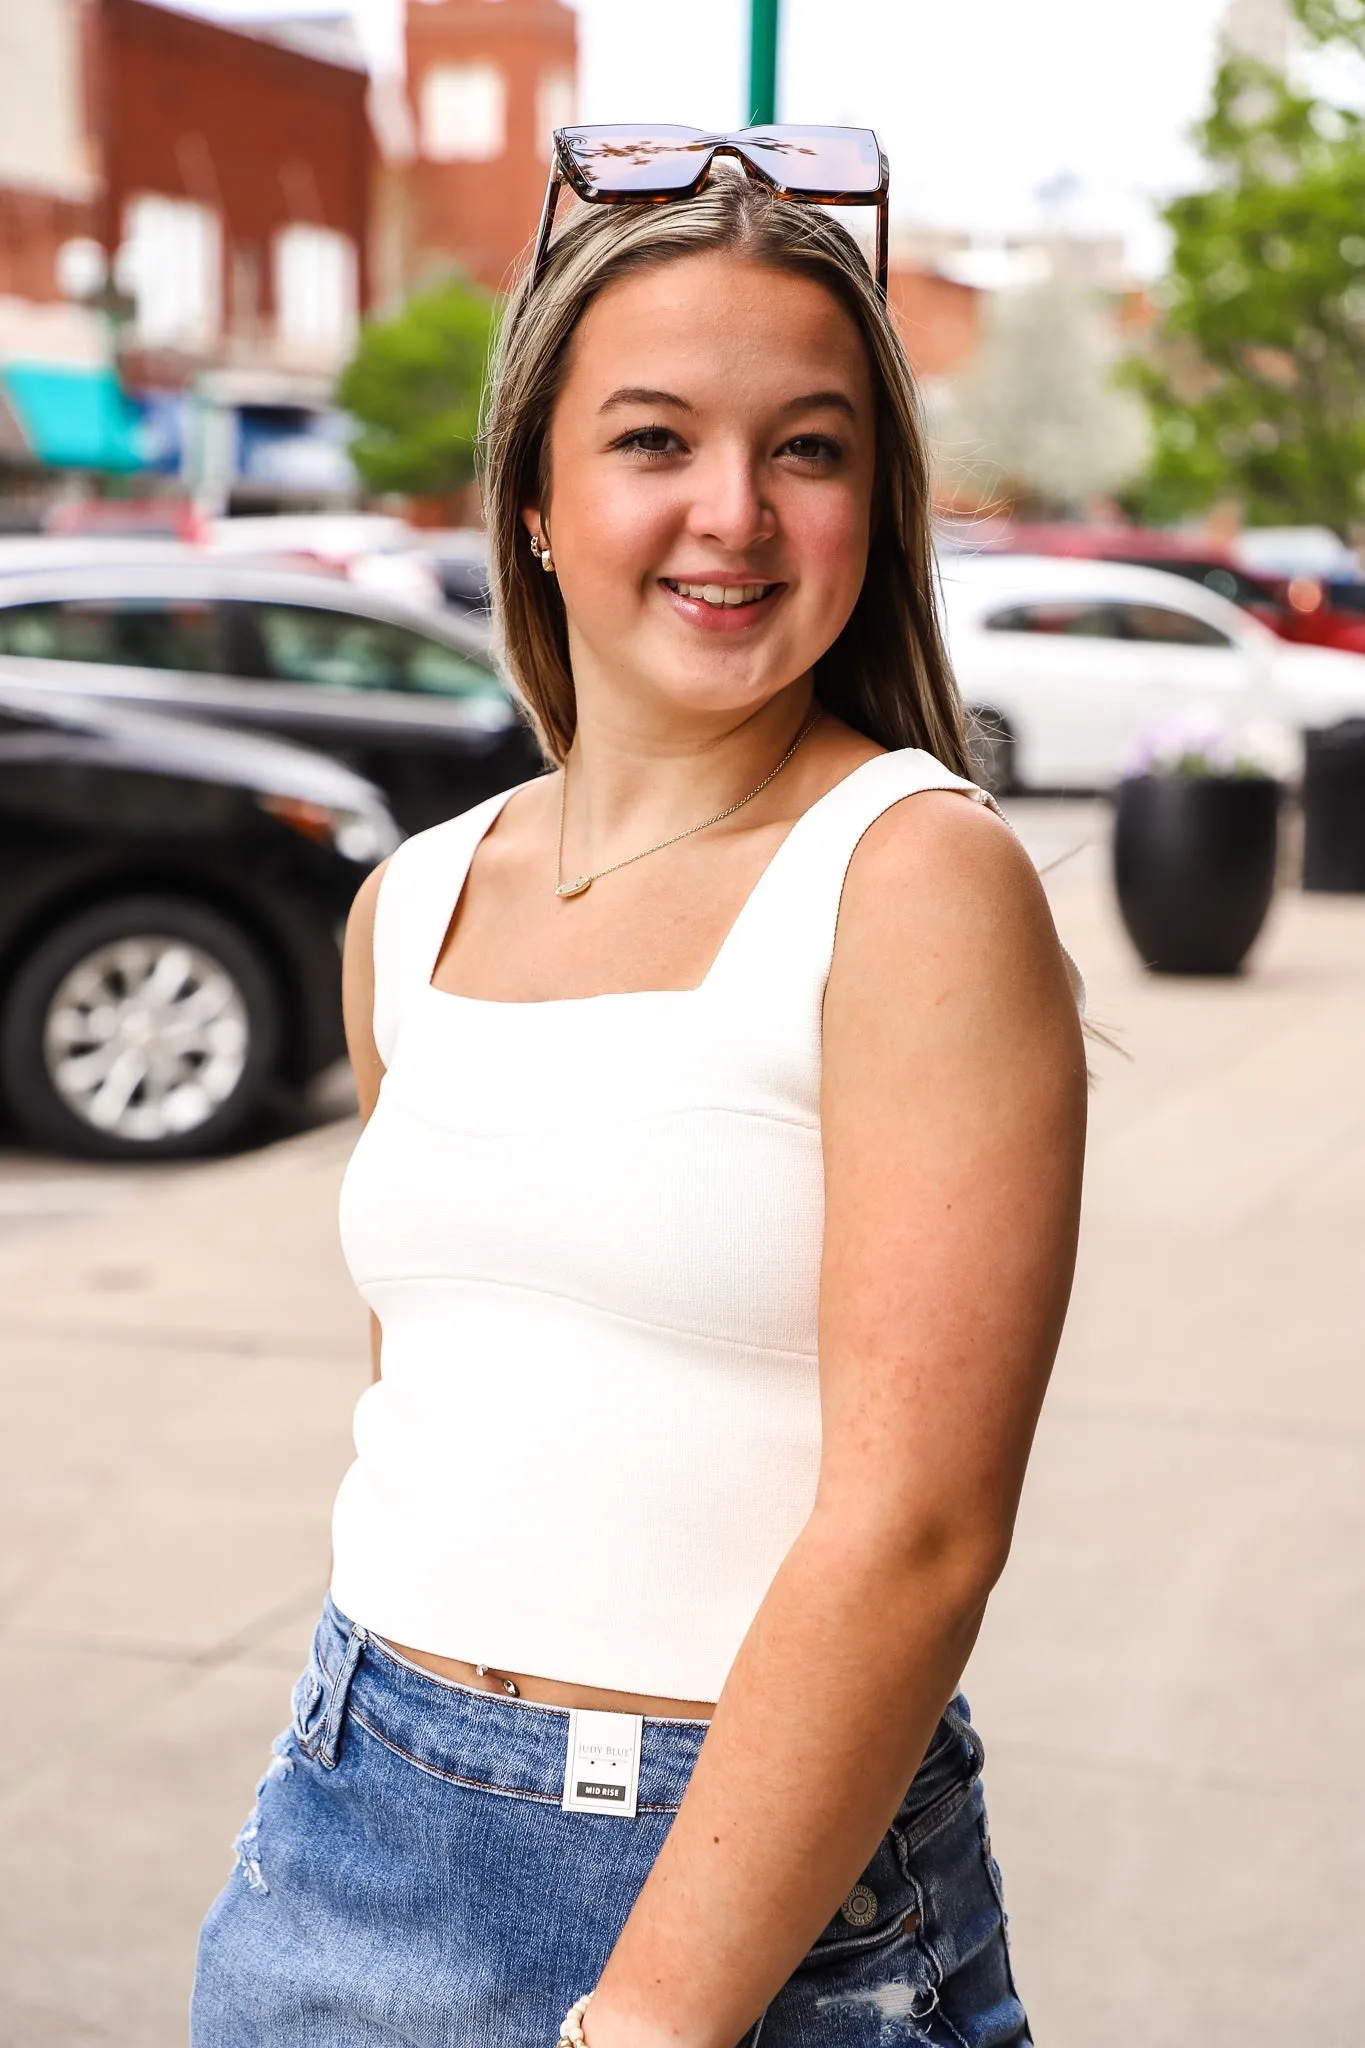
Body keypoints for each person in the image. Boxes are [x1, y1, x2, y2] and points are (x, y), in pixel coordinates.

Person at [192, 136, 1086, 2048]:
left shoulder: (914, 879)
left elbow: (922, 1532)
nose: (735, 515)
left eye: (812, 448)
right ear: (531, 495)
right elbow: (430, 1381)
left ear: (878, 501)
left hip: (749, 1917)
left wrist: (661, 2015)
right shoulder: (414, 899)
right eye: (654, 438)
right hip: (346, 1833)